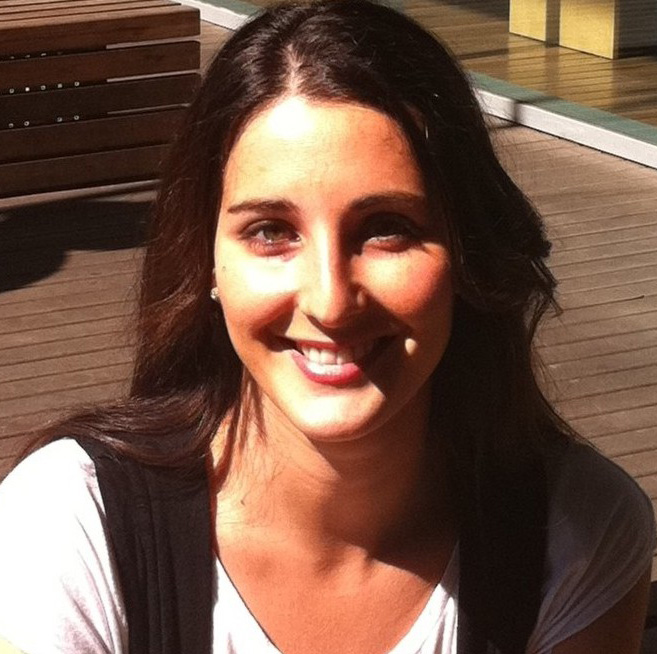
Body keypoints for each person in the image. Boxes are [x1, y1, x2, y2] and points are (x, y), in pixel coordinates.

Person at [0, 1, 654, 652]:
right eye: (270, 232)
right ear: (208, 261)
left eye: (387, 228)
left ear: (467, 253)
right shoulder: (70, 528)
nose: (331, 302)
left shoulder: (572, 539)